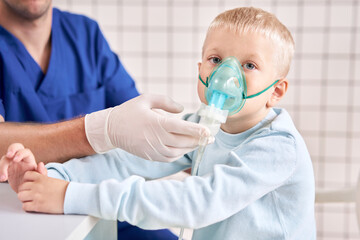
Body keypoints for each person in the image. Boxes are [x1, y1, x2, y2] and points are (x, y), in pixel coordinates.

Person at [3, 7, 316, 239]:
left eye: (248, 65)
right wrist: (49, 178)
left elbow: (196, 202)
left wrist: (70, 195)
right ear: (201, 68)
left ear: (276, 91)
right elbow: (126, 161)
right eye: (216, 60)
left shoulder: (277, 146)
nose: (226, 76)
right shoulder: (205, 128)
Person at [0, 0, 210, 239]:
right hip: (29, 214)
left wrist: (224, 149)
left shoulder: (85, 35)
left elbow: (145, 132)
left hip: (105, 210)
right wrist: (100, 130)